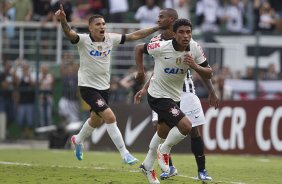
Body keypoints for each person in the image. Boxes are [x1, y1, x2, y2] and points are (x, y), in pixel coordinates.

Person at [54, 4, 162, 165]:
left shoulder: (110, 39)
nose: (102, 26)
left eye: (103, 24)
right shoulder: (83, 40)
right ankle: (125, 153)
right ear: (90, 28)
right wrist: (63, 21)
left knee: (96, 120)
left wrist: (155, 28)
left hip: (104, 87)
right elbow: (69, 33)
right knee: (110, 117)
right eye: (98, 24)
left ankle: (78, 139)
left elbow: (134, 36)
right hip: (88, 87)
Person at [134, 8, 219, 182]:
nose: (186, 35)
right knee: (186, 127)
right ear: (174, 34)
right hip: (157, 96)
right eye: (181, 32)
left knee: (162, 132)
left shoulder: (194, 47)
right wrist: (141, 72)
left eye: (189, 32)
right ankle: (164, 152)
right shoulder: (159, 46)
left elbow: (209, 73)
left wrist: (195, 67)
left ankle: (147, 167)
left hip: (176, 97)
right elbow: (138, 48)